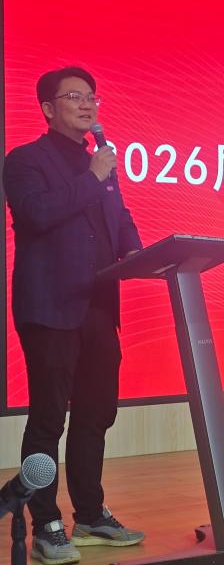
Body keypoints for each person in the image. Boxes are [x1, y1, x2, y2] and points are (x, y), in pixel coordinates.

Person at [5, 66, 145, 564]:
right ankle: (45, 522)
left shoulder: (99, 165)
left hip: (98, 306)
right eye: (74, 97)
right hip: (50, 308)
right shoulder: (25, 161)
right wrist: (94, 177)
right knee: (48, 419)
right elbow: (38, 214)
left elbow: (119, 218)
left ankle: (89, 514)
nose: (87, 105)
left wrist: (137, 252)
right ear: (48, 108)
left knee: (95, 414)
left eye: (92, 97)